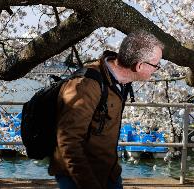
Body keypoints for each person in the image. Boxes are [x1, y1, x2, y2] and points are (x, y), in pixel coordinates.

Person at [48, 30, 164, 189]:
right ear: (139, 66)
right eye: (156, 64)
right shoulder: (85, 85)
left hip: (109, 172)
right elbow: (68, 140)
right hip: (77, 176)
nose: (157, 69)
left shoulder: (120, 81)